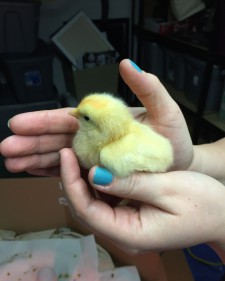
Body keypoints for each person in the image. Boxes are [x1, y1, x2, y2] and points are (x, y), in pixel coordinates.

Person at [1, 59, 225, 263]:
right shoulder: (96, 139)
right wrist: (195, 161)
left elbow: (162, 157)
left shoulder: (111, 152)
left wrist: (219, 220)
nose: (76, 116)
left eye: (85, 117)